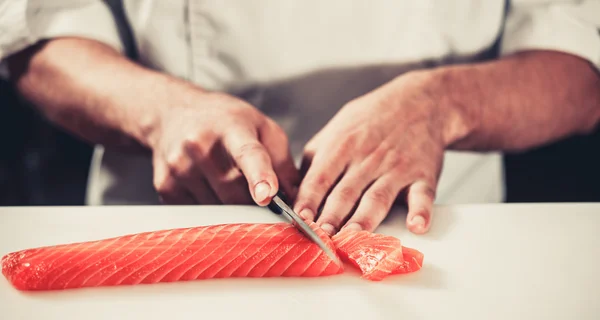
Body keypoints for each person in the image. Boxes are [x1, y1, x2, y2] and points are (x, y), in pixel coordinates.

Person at [1, 1, 599, 236]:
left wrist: (441, 105)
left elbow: (581, 68)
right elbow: (33, 35)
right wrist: (162, 113)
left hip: (435, 232)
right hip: (171, 222)